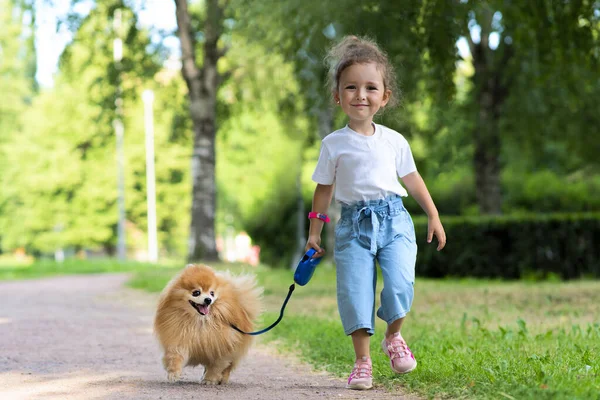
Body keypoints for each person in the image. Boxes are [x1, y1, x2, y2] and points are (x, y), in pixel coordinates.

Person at [305, 35, 446, 391]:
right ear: (338, 96)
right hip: (353, 225)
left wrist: (432, 214)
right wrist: (315, 234)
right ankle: (362, 362)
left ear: (385, 97)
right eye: (350, 87)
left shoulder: (394, 141)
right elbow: (323, 189)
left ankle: (394, 337)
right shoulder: (333, 144)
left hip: (395, 219)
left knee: (400, 282)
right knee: (355, 293)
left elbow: (412, 178)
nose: (360, 95)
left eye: (370, 87)